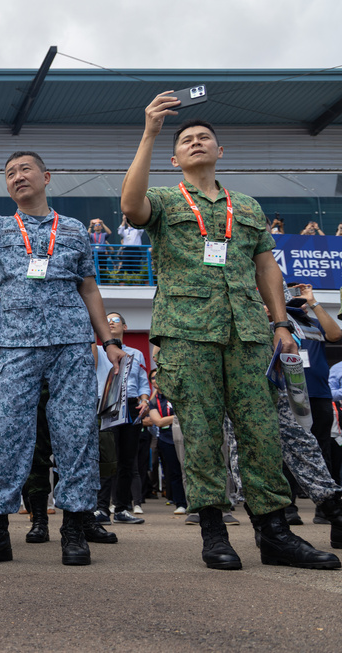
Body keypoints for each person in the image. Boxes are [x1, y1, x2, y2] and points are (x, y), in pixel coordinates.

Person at [120, 94, 337, 570]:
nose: (196, 143)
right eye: (187, 141)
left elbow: (266, 267)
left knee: (261, 432)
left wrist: (280, 323)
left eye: (204, 138)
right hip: (187, 333)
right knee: (200, 434)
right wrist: (150, 133)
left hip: (248, 334)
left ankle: (275, 533)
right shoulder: (164, 198)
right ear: (174, 158)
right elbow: (131, 206)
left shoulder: (248, 206)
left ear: (221, 151)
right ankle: (214, 532)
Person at [0, 118, 126, 568]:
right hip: (16, 347)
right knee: (5, 433)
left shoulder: (77, 230)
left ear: (46, 178)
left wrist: (108, 341)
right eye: (10, 173)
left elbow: (89, 289)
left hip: (71, 345)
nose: (18, 176)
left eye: (25, 169)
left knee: (76, 434)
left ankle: (76, 528)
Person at [95, 312, 150, 525]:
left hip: (132, 405)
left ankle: (122, 508)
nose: (110, 322)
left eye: (116, 320)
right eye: (107, 319)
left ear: (125, 327)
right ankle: (101, 508)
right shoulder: (98, 352)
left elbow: (143, 381)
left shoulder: (136, 353)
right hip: (107, 406)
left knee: (128, 460)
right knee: (107, 458)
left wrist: (145, 400)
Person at [286, 283, 342, 490]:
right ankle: (289, 508)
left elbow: (335, 335)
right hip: (288, 396)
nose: (300, 303)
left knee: (321, 446)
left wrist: (313, 301)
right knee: (287, 447)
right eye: (295, 298)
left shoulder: (315, 324)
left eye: (303, 299)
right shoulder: (276, 325)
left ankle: (325, 503)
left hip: (318, 394)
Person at [146, 370, 187, 514]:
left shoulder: (177, 394)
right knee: (173, 472)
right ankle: (180, 503)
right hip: (166, 439)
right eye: (153, 378)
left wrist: (171, 419)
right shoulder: (154, 401)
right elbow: (157, 421)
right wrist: (177, 417)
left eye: (158, 376)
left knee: (188, 470)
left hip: (185, 437)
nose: (156, 380)